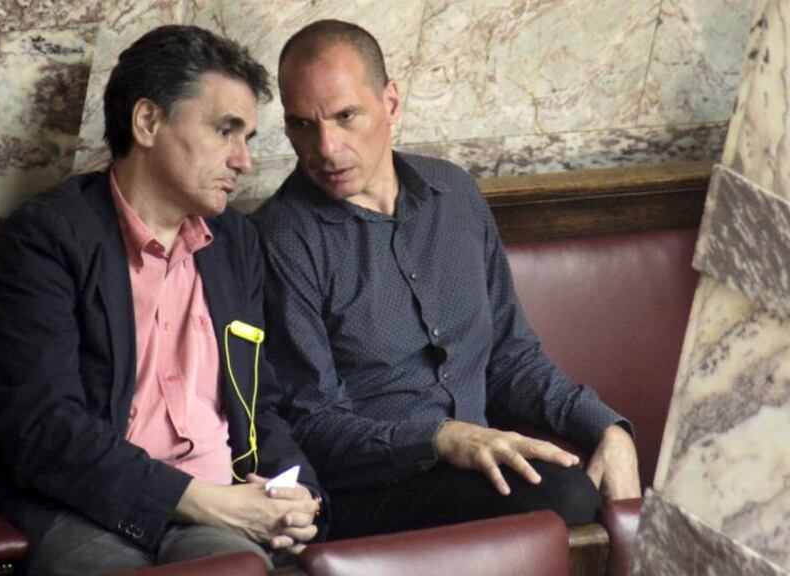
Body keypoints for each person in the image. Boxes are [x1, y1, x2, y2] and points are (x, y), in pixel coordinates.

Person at [252, 19, 640, 540]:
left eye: (347, 116)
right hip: (367, 491)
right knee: (566, 495)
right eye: (302, 125)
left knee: (589, 483)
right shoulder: (282, 236)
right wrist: (439, 439)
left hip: (474, 472)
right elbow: (313, 425)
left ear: (391, 102)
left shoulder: (453, 194)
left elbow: (511, 357)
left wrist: (608, 428)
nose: (325, 147)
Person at [0, 25, 323, 575]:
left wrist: (293, 491)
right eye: (226, 131)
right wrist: (208, 500)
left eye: (247, 138)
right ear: (148, 122)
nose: (244, 161)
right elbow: (43, 430)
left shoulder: (234, 244)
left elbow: (259, 403)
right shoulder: (45, 240)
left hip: (217, 508)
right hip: (81, 508)